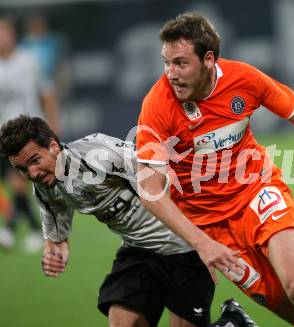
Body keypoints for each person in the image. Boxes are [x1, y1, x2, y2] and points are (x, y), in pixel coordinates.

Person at [135, 12, 294, 327]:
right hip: (211, 226)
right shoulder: (157, 106)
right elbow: (150, 192)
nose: (170, 73)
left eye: (180, 63)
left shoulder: (245, 79)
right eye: (166, 62)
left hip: (259, 192)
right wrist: (202, 243)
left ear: (208, 59)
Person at [0, 115, 258, 327]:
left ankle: (233, 323)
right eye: (22, 169)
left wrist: (202, 242)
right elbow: (55, 221)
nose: (31, 173)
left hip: (184, 248)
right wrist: (56, 248)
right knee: (123, 322)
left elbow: (166, 177)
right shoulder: (45, 185)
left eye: (35, 161)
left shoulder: (98, 154)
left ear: (53, 146)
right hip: (139, 251)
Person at [0, 15, 59, 252]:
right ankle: (15, 228)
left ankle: (29, 230)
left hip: (27, 133)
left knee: (19, 183)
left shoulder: (29, 61)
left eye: (4, 32)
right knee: (16, 185)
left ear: (13, 35)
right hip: (3, 134)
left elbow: (46, 92)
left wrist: (53, 122)